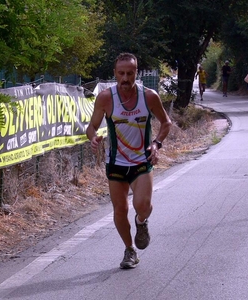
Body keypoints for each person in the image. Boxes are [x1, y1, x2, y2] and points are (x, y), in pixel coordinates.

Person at [86, 52, 172, 269]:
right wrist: (93, 138)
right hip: (116, 162)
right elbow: (92, 126)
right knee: (120, 209)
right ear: (115, 73)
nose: (125, 78)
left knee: (142, 206)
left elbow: (166, 122)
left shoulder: (149, 96)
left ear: (136, 73)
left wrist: (156, 144)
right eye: (121, 73)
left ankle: (141, 222)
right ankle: (130, 249)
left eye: (130, 73)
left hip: (142, 160)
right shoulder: (106, 98)